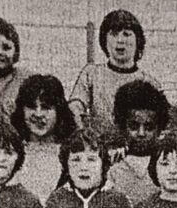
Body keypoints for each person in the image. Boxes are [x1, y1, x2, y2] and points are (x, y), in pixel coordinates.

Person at [68, 9, 162, 138]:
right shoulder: (91, 74)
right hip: (99, 148)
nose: (120, 40)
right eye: (114, 34)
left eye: (126, 34)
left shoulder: (149, 82)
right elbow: (76, 106)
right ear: (104, 40)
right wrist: (84, 131)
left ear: (138, 40)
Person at [10, 74, 76, 204]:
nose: (39, 114)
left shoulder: (72, 154)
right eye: (31, 107)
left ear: (59, 111)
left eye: (46, 107)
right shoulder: (11, 152)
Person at [107, 80, 172, 206]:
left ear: (159, 129)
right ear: (123, 127)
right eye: (134, 126)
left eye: (148, 127)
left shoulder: (167, 164)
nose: (141, 133)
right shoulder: (113, 166)